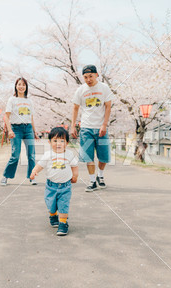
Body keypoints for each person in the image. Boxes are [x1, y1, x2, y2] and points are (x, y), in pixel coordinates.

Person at [70, 64, 112, 192]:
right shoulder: (81, 90)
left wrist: (104, 124)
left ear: (97, 75)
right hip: (86, 128)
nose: (88, 79)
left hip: (100, 127)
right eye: (86, 77)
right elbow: (75, 108)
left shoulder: (104, 88)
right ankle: (92, 181)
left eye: (91, 76)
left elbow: (108, 107)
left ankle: (100, 175)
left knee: (103, 157)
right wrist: (73, 126)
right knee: (88, 157)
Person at [30, 127, 78, 236]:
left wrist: (75, 176)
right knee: (50, 205)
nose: (58, 144)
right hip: (51, 186)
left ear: (67, 143)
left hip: (65, 186)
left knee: (63, 205)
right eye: (55, 141)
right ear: (49, 142)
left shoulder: (69, 155)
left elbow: (75, 166)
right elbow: (40, 165)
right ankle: (53, 215)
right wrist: (34, 171)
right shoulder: (48, 155)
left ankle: (63, 223)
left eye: (62, 141)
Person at [0, 77, 38, 186]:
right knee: (15, 155)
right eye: (19, 84)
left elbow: (31, 118)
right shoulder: (12, 100)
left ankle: (32, 177)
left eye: (23, 85)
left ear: (26, 87)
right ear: (16, 86)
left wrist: (34, 132)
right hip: (16, 129)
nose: (21, 87)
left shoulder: (29, 101)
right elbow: (6, 116)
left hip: (28, 129)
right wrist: (10, 130)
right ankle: (6, 176)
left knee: (31, 154)